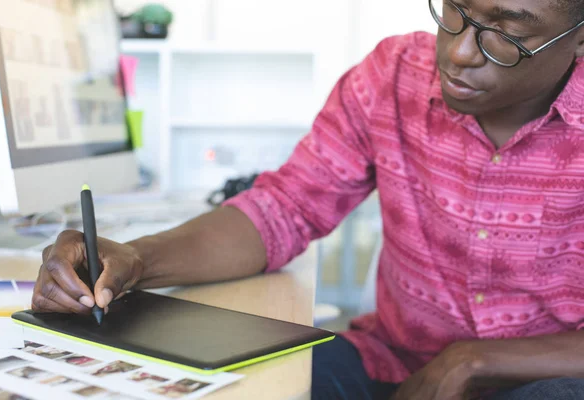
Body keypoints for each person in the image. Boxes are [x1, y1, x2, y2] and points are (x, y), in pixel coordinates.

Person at [32, 0, 584, 399]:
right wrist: (135, 260)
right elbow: (285, 208)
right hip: (394, 366)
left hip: (553, 377)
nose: (461, 52)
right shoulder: (393, 76)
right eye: (456, 12)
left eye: (507, 34)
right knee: (252, 383)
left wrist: (475, 359)